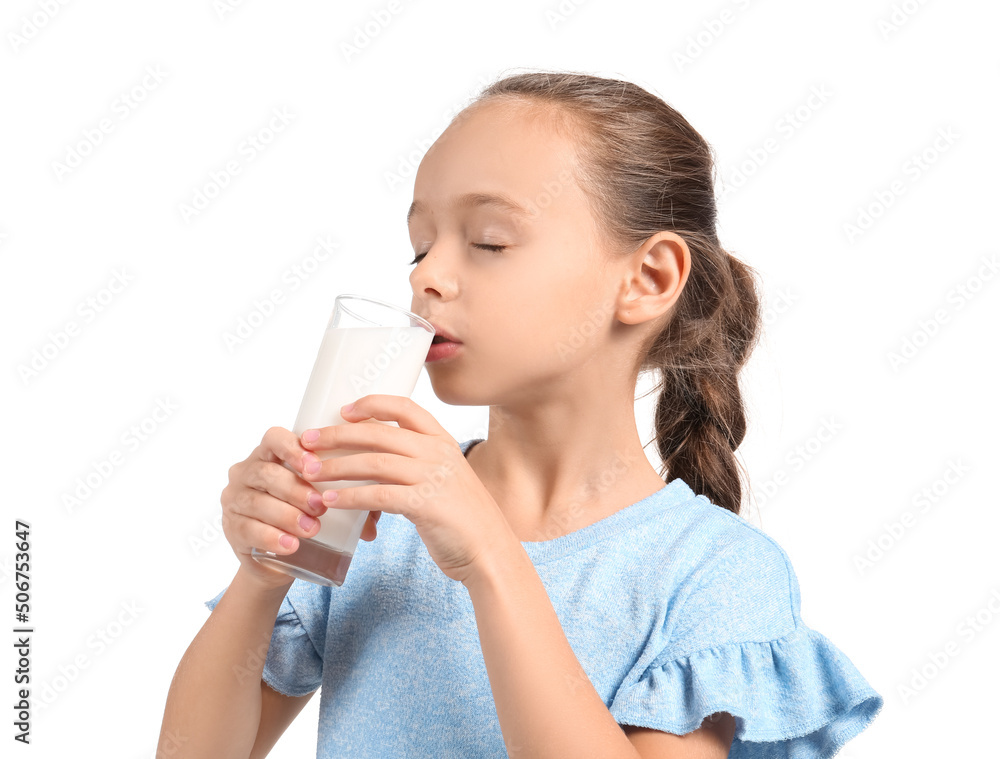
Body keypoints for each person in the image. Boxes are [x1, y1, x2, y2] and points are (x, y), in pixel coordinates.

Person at [158, 69, 884, 758]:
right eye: (420, 245)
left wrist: (489, 554)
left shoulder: (716, 571)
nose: (428, 276)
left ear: (648, 278)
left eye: (489, 242)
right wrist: (262, 574)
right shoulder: (372, 521)